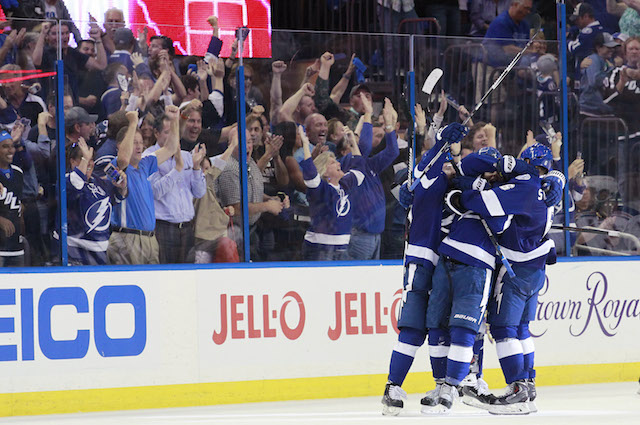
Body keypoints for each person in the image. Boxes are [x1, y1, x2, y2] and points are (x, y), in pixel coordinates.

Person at [457, 143, 564, 414]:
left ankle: (517, 389)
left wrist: (466, 191)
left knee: (504, 330)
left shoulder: (524, 186)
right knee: (522, 329)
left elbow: (484, 203)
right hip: (536, 270)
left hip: (516, 268)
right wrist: (559, 176)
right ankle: (528, 386)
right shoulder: (547, 187)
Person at [380, 122, 466, 415]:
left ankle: (442, 384)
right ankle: (393, 387)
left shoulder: (456, 174)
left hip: (449, 262)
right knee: (413, 326)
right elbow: (422, 178)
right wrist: (440, 144)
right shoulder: (428, 170)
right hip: (421, 257)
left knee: (439, 325)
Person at [107, 107, 179, 265]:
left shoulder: (145, 164)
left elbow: (170, 148)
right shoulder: (116, 166)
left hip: (150, 239)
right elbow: (123, 159)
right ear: (120, 145)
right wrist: (133, 123)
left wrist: (174, 121)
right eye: (134, 143)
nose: (139, 146)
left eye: (140, 143)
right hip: (127, 238)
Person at [145, 113, 207, 264]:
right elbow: (156, 192)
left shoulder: (187, 156)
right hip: (163, 227)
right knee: (165, 276)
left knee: (188, 279)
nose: (173, 137)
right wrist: (177, 169)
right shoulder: (149, 157)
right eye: (168, 132)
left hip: (187, 227)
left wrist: (197, 167)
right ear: (156, 133)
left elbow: (199, 192)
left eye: (175, 133)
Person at [298, 125, 365, 261]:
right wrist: (305, 144)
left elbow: (359, 170)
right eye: (333, 162)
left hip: (342, 248)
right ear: (325, 171)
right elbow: (311, 174)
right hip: (319, 249)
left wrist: (352, 143)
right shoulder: (320, 189)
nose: (338, 164)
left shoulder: (345, 185)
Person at [344, 97, 399, 260]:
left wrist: (389, 125)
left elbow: (392, 152)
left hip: (375, 234)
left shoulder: (370, 165)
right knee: (357, 282)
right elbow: (365, 146)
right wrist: (368, 114)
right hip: (359, 235)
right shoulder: (348, 163)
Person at [66, 137, 127, 265]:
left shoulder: (99, 181)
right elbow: (76, 183)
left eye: (91, 160)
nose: (90, 164)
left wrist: (122, 187)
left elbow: (118, 198)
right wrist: (85, 160)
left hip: (101, 254)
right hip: (76, 253)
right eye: (84, 159)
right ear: (72, 162)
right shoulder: (66, 181)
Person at [0, 130, 24, 266]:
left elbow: (19, 201)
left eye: (12, 146)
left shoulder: (18, 172)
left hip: (16, 245)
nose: (11, 150)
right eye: (5, 146)